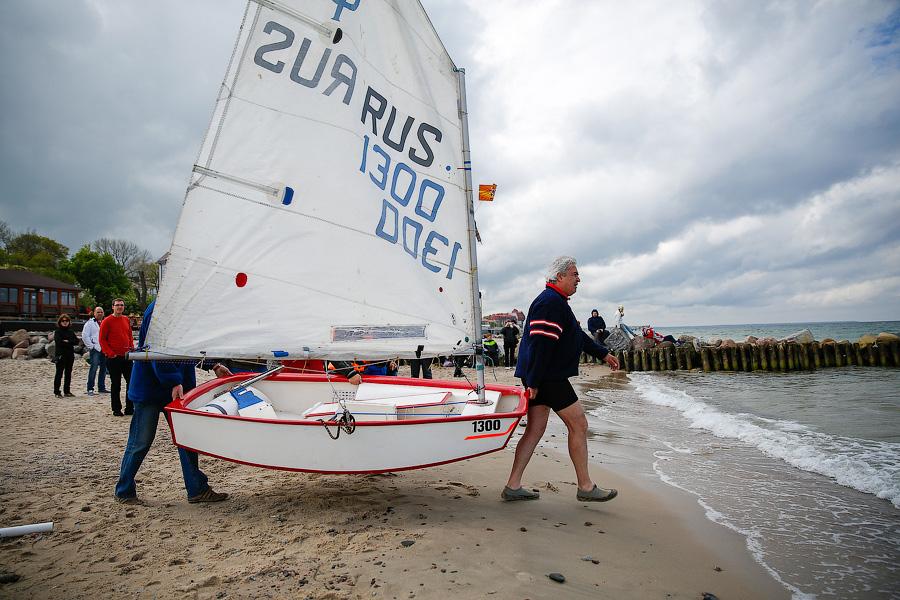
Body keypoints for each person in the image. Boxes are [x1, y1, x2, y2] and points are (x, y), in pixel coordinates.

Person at [503, 256, 620, 503]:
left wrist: (604, 353)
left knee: (535, 430)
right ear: (560, 276)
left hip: (541, 375)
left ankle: (513, 485)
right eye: (575, 274)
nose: (579, 279)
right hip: (547, 377)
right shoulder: (550, 303)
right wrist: (534, 381)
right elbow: (541, 344)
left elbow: (578, 336)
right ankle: (585, 487)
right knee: (579, 425)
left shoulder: (557, 302)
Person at [114, 301, 228, 505]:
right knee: (141, 441)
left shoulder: (184, 306)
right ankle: (124, 490)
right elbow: (157, 349)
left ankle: (197, 489)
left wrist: (214, 365)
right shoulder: (160, 310)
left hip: (175, 387)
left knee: (187, 439)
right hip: (152, 389)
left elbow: (190, 346)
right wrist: (172, 381)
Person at [100, 298, 134, 416]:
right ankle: (116, 409)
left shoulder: (126, 319)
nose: (120, 307)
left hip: (127, 357)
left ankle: (129, 408)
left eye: (122, 305)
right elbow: (102, 339)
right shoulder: (107, 321)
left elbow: (129, 336)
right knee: (116, 384)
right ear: (113, 307)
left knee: (131, 383)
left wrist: (131, 349)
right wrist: (110, 353)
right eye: (117, 305)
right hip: (114, 358)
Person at [81, 306, 109, 396]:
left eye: (101, 312)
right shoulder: (89, 323)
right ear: (94, 313)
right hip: (95, 349)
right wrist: (92, 346)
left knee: (104, 369)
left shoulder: (106, 322)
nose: (100, 313)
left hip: (104, 349)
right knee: (94, 368)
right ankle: (90, 388)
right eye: (98, 312)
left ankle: (101, 387)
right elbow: (85, 336)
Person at [52, 314, 78, 398]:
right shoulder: (57, 332)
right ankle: (57, 392)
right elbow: (59, 342)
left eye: (66, 321)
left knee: (68, 374)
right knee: (59, 374)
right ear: (60, 322)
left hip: (70, 355)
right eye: (63, 321)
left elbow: (76, 341)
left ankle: (67, 391)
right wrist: (69, 342)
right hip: (60, 356)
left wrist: (67, 341)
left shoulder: (71, 331)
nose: (65, 322)